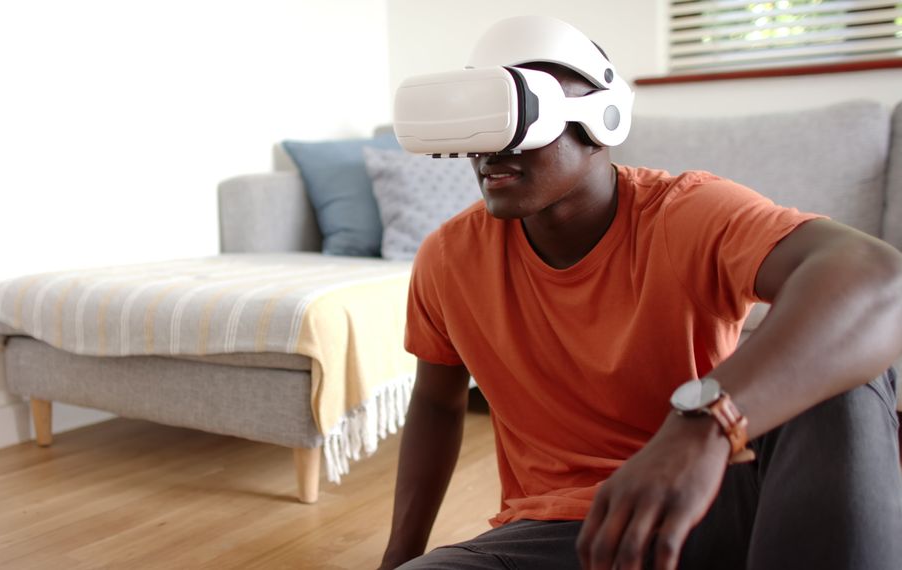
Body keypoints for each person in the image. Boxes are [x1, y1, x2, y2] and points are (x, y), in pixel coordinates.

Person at [379, 15, 902, 570]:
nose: (491, 146)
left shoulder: (686, 214)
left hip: (722, 500)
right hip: (562, 535)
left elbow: (876, 276)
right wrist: (398, 554)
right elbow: (437, 402)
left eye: (519, 114)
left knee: (844, 359)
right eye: (484, 118)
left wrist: (704, 425)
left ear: (602, 118)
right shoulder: (448, 257)